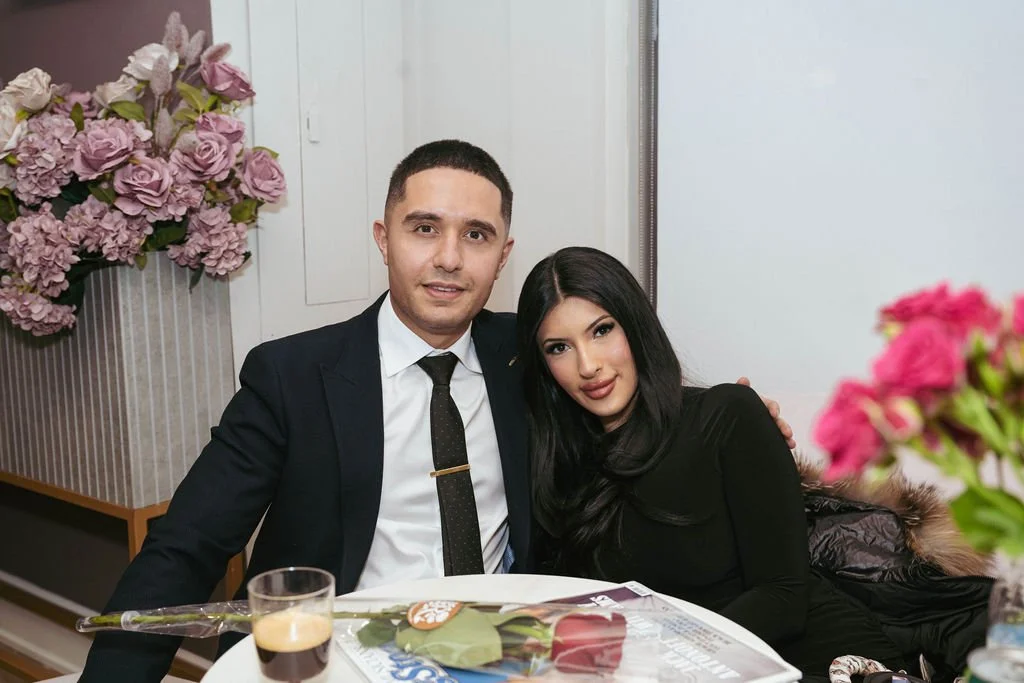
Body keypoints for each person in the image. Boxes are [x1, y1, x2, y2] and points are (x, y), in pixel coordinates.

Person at [80, 141, 793, 682]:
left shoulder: (533, 358)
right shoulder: (293, 375)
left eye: (476, 235)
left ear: (502, 254)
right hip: (339, 659)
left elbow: (628, 414)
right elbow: (188, 545)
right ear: (382, 237)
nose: (449, 258)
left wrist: (738, 424)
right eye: (424, 228)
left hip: (505, 651)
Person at [515, 246, 908, 681]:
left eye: (602, 330)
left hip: (808, 657)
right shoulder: (555, 465)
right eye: (559, 347)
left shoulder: (725, 416)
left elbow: (783, 595)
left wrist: (659, 660)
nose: (588, 365)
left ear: (635, 326)